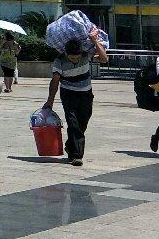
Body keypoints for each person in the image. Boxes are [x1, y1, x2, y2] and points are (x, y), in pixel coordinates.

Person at [42, 31, 109, 167]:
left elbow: (104, 59)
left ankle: (70, 145)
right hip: (68, 95)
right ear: (66, 53)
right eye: (72, 58)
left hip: (86, 94)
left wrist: (95, 41)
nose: (75, 60)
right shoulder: (59, 61)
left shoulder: (85, 55)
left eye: (77, 57)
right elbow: (54, 82)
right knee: (73, 124)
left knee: (83, 122)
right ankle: (76, 156)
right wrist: (50, 101)